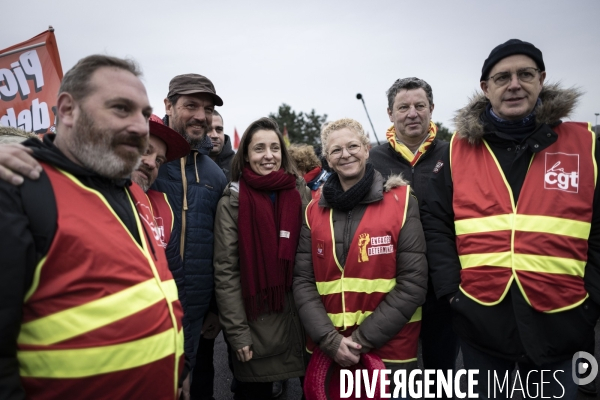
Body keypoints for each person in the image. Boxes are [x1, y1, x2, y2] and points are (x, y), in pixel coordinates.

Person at [421, 39, 600, 399]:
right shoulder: (455, 150)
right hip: (481, 326)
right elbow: (436, 225)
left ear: (542, 79)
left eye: (525, 74)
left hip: (564, 324)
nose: (514, 84)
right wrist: (452, 294)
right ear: (486, 88)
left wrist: (591, 299)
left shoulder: (587, 144)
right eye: (502, 77)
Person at [0, 55, 184, 399]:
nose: (140, 127)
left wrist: (177, 367)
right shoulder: (17, 187)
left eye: (144, 114)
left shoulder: (133, 191)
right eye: (120, 108)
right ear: (67, 110)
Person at [293, 118, 428, 396]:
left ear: (367, 149)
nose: (346, 154)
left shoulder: (402, 201)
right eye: (336, 150)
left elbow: (413, 283)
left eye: (353, 146)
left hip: (389, 352)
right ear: (327, 159)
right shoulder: (313, 210)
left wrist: (359, 341)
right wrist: (331, 342)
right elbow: (303, 282)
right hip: (328, 350)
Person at [368, 77, 458, 393]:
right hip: (392, 290)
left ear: (431, 109)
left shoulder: (454, 155)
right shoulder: (371, 160)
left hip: (444, 288)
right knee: (396, 380)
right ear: (390, 113)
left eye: (420, 106)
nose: (412, 113)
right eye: (403, 107)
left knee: (441, 377)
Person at [213, 117, 309, 400]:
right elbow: (226, 273)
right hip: (258, 328)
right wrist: (238, 333)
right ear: (245, 155)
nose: (268, 156)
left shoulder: (300, 191)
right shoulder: (232, 202)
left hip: (304, 323)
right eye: (259, 149)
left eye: (274, 148)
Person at [152, 74, 228, 378]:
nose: (201, 116)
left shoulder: (214, 174)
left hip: (196, 313)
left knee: (190, 385)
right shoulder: (146, 160)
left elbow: (222, 248)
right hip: (149, 309)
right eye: (191, 105)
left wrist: (215, 308)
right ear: (168, 105)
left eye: (208, 109)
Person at [208, 109, 235, 181]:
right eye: (208, 129)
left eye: (219, 129)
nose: (215, 135)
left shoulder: (239, 165)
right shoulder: (187, 164)